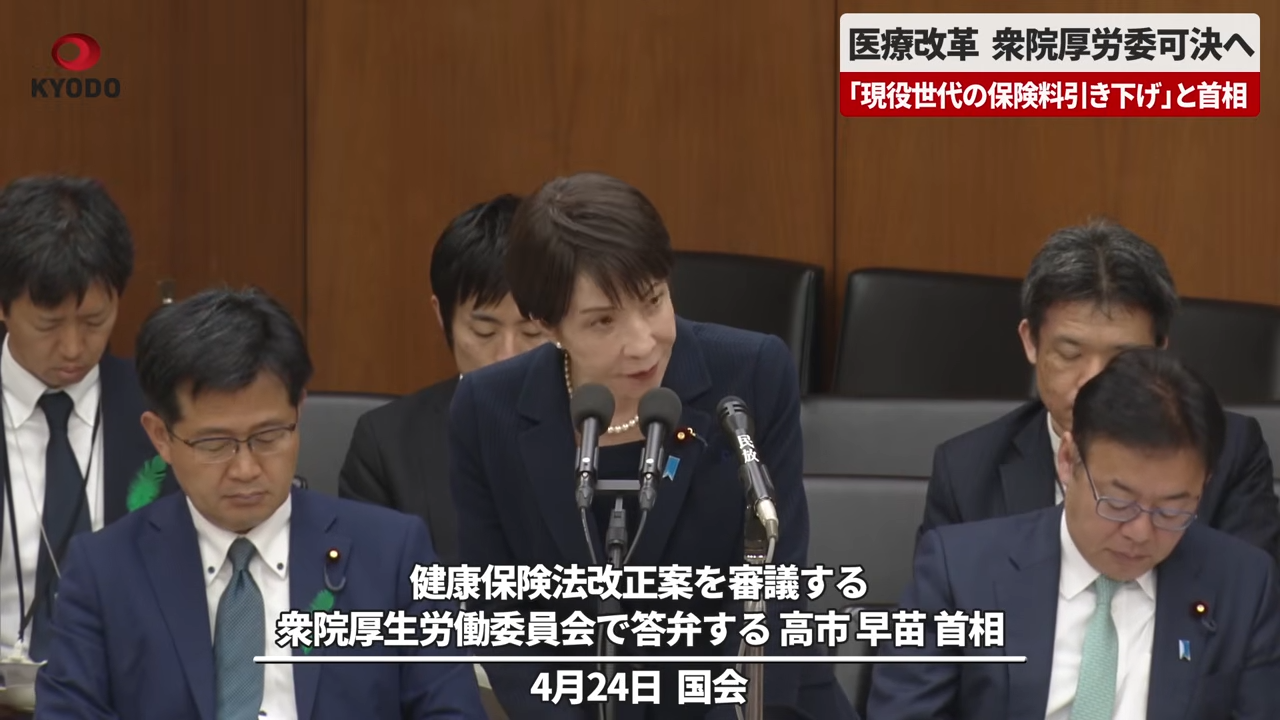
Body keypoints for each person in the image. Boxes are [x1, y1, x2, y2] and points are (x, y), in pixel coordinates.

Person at [449, 172, 857, 719]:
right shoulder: (487, 409)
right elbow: (497, 614)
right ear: (548, 324)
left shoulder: (751, 374)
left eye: (653, 300)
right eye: (603, 321)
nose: (642, 343)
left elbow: (775, 593)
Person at [34, 288, 486, 719]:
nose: (246, 469)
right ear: (161, 437)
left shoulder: (392, 554)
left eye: (269, 436)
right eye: (215, 444)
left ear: (298, 413)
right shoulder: (104, 571)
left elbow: (452, 710)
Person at [869, 348, 1280, 718]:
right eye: (1118, 502)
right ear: (1067, 461)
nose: (1140, 532)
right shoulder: (960, 570)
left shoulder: (1243, 583)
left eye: (1172, 509)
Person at [920, 220, 1279, 558]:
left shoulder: (1228, 452)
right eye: (1070, 354)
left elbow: (1246, 593)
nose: (1093, 381)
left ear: (1159, 353)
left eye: (1123, 358)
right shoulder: (966, 472)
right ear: (1031, 342)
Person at [0, 176, 176, 671]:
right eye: (49, 325)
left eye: (95, 321)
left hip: (128, 691)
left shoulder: (164, 416)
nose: (75, 348)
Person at [339, 194, 547, 563]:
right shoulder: (386, 447)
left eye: (532, 333)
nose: (508, 356)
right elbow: (372, 586)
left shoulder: (615, 434)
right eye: (484, 332)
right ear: (442, 316)